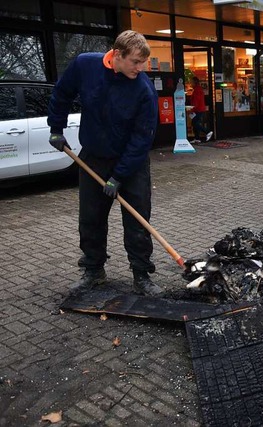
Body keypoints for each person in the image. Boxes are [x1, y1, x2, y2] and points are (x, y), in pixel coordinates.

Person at [47, 30, 163, 296]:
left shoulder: (143, 89)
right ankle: (93, 271)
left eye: (143, 62)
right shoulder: (85, 65)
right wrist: (56, 127)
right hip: (94, 157)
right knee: (91, 218)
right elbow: (62, 93)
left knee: (137, 219)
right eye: (135, 61)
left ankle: (141, 274)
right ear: (118, 55)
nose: (140, 68)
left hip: (131, 164)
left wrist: (119, 176)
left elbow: (142, 138)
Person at [190, 76, 212, 143]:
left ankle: (207, 132)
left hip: (198, 110)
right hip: (199, 109)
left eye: (191, 82)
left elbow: (196, 101)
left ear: (194, 82)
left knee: (195, 123)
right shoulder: (198, 89)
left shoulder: (197, 90)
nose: (190, 83)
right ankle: (197, 138)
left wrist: (192, 108)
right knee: (195, 123)